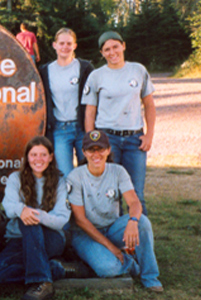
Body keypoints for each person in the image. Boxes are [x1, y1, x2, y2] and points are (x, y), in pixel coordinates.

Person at [67, 130, 163, 292]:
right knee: (107, 269)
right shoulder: (75, 177)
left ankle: (150, 276)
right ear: (84, 152)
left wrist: (133, 222)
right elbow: (80, 220)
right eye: (91, 150)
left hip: (111, 227)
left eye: (101, 149)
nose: (96, 154)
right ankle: (130, 263)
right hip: (86, 234)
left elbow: (134, 202)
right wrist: (112, 248)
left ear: (109, 150)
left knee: (143, 222)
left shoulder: (118, 171)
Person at [0, 136, 82, 300]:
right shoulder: (15, 179)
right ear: (27, 157)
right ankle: (56, 269)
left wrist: (33, 214)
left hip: (51, 238)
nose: (38, 159)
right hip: (18, 240)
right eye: (34, 155)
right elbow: (8, 206)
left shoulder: (60, 182)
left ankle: (41, 282)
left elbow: (61, 220)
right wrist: (22, 210)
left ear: (50, 157)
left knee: (29, 221)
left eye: (43, 155)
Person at [82, 31, 156, 215]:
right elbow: (90, 111)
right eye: (107, 49)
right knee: (110, 192)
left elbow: (149, 104)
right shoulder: (96, 76)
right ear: (102, 53)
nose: (112, 52)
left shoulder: (138, 70)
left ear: (123, 46)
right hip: (108, 139)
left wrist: (149, 134)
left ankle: (139, 238)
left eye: (115, 46)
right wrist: (92, 142)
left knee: (136, 192)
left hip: (134, 139)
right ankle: (115, 237)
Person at [40, 28, 95, 177]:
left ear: (75, 46)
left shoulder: (85, 68)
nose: (65, 47)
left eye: (69, 43)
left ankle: (88, 201)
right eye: (61, 43)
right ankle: (70, 201)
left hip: (82, 128)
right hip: (59, 130)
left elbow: (96, 97)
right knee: (65, 174)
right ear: (54, 45)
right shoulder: (45, 71)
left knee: (89, 171)